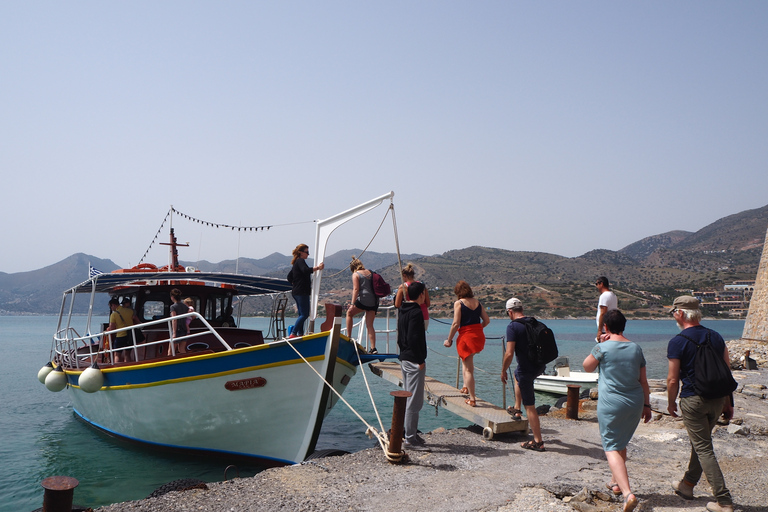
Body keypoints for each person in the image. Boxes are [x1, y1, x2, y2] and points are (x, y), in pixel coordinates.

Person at [666, 296, 734, 512]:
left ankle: (724, 501)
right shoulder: (716, 337)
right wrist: (728, 401)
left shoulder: (677, 341)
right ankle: (687, 485)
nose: (674, 315)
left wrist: (670, 403)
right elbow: (726, 371)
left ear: (681, 314)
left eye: (674, 311)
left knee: (703, 447)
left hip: (693, 400)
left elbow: (672, 379)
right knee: (701, 442)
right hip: (716, 400)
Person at [583, 309, 651, 512]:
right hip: (635, 402)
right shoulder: (636, 348)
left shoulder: (602, 347)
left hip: (611, 403)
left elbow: (587, 367)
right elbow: (644, 381)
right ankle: (615, 483)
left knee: (611, 445)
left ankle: (628, 493)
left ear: (605, 327)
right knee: (621, 441)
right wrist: (647, 406)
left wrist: (599, 346)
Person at [500, 298, 547, 451]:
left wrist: (502, 371)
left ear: (510, 312)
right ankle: (516, 409)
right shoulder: (533, 322)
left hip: (527, 370)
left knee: (531, 406)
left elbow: (509, 353)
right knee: (516, 374)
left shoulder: (513, 327)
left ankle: (538, 441)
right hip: (539, 366)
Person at [444, 280, 490, 406]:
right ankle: (465, 386)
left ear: (457, 292)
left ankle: (472, 398)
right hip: (478, 336)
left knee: (469, 369)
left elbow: (455, 323)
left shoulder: (458, 303)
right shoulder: (477, 303)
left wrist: (449, 340)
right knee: (466, 360)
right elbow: (486, 321)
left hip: (466, 337)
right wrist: (477, 329)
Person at [397, 281, 428, 450]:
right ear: (421, 294)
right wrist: (420, 360)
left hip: (404, 357)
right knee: (414, 401)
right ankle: (410, 439)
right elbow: (415, 338)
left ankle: (411, 433)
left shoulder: (403, 310)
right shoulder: (416, 312)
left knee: (409, 397)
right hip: (414, 360)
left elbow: (401, 336)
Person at [289, 244, 324, 338]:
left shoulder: (296, 263)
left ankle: (300, 334)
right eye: (307, 252)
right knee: (304, 314)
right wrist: (318, 268)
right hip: (301, 291)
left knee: (301, 314)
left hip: (296, 291)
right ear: (301, 252)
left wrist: (296, 282)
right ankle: (293, 333)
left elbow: (289, 277)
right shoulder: (300, 261)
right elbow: (305, 270)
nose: (308, 254)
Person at [346, 257, 378, 353]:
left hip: (363, 300)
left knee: (349, 313)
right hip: (374, 301)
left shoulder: (356, 274)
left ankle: (349, 337)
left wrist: (352, 304)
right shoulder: (371, 272)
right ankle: (373, 348)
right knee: (370, 325)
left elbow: (356, 289)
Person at [394, 263, 430, 331]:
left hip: (409, 316)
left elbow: (397, 304)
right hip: (424, 316)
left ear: (404, 275)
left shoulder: (403, 287)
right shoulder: (422, 286)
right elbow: (428, 304)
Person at [106, 298, 136, 363]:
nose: (111, 308)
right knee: (127, 354)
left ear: (113, 305)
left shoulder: (114, 314)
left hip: (120, 336)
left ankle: (116, 368)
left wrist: (108, 329)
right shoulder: (130, 311)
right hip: (129, 336)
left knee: (117, 355)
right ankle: (128, 367)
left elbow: (112, 328)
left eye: (110, 306)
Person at [596, 276, 618, 342]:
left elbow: (603, 313)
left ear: (601, 284)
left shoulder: (604, 296)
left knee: (602, 350)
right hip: (612, 329)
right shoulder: (613, 295)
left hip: (604, 330)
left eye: (597, 284)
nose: (596, 286)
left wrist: (599, 331)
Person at [170, 288, 188, 354]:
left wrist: (174, 333)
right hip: (184, 329)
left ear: (172, 297)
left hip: (177, 330)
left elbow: (174, 319)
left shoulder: (173, 307)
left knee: (171, 351)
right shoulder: (185, 307)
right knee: (182, 349)